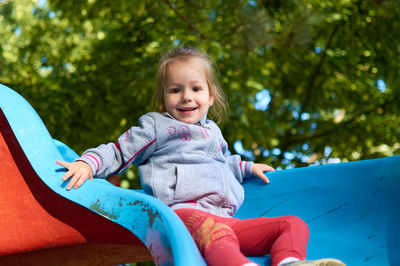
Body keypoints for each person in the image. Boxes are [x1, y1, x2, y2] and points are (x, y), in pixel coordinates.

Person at [56, 46, 345, 266]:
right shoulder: (157, 126)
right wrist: (88, 163)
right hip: (184, 215)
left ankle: (290, 262)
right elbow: (119, 151)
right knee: (216, 239)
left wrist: (246, 167)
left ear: (210, 96)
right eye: (175, 90)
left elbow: (225, 163)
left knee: (292, 224)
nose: (186, 96)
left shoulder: (214, 132)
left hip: (227, 218)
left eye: (196, 88)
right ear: (163, 98)